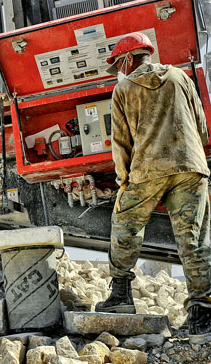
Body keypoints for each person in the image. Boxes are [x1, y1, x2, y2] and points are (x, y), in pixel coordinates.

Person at [95, 31, 211, 344]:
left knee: (125, 226)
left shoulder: (123, 89)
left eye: (119, 64)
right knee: (194, 238)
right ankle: (203, 316)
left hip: (147, 170)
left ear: (129, 58)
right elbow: (201, 125)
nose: (120, 70)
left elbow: (121, 143)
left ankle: (120, 294)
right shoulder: (180, 76)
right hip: (191, 166)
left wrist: (124, 183)